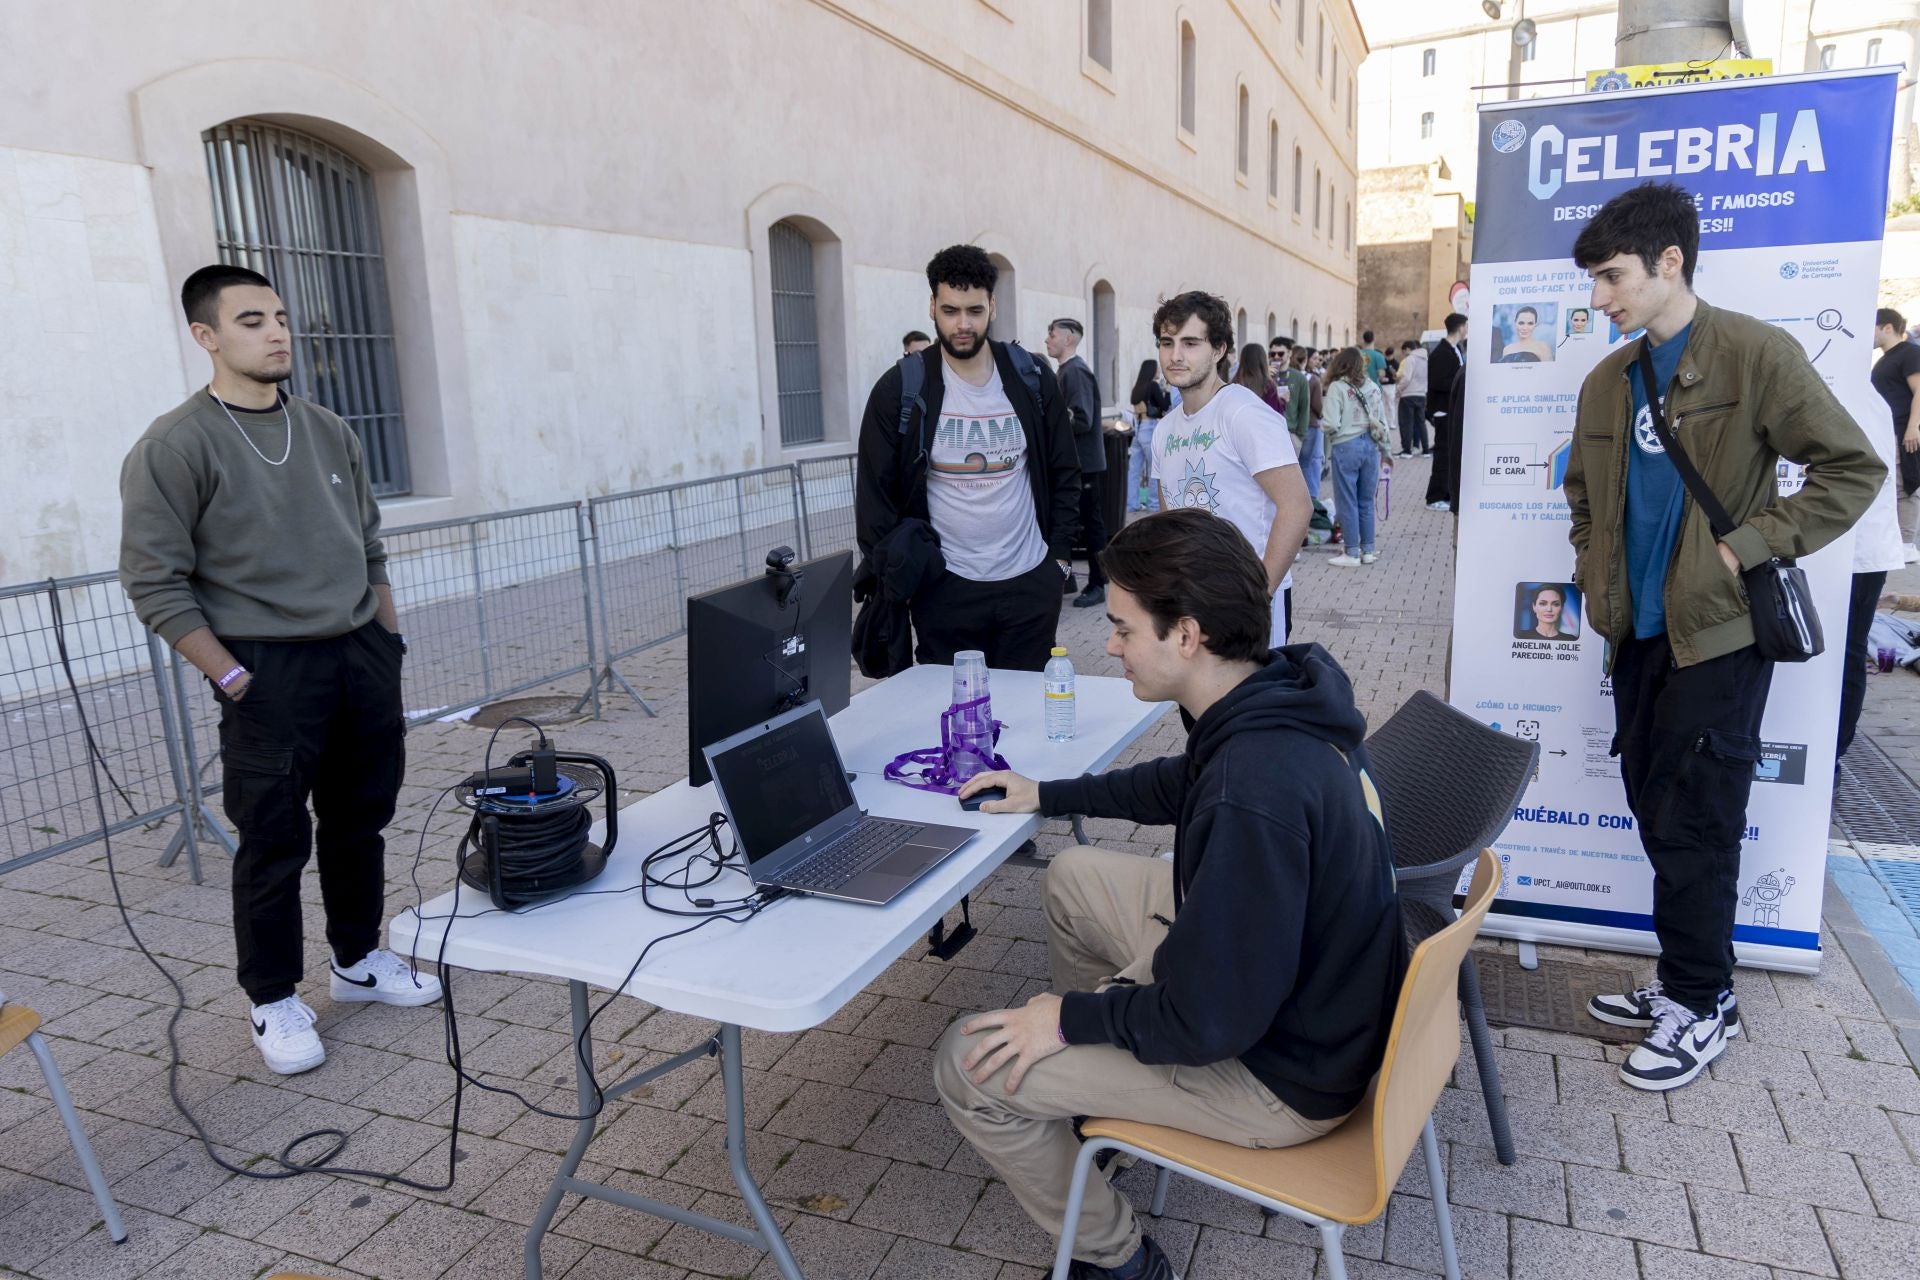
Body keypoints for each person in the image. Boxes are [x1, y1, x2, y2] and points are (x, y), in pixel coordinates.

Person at [938, 508, 1406, 1280]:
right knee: (1073, 877)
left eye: (1122, 629)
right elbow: (1179, 783)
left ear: (1186, 635)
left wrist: (1074, 1018)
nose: (1110, 646)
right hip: (1301, 996)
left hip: (1280, 1075)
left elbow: (1207, 1019)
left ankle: (1116, 1255)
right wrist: (1046, 794)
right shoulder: (1277, 694)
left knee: (968, 1065)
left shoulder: (1253, 790)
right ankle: (1089, 1110)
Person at [1563, 182, 1882, 1091]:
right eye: (1594, 280)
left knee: (1698, 814)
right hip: (1636, 637)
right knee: (1655, 802)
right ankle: (1685, 981)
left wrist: (1748, 546)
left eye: (1612, 277)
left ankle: (1701, 1003)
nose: (1600, 299)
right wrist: (1594, 569)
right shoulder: (1609, 379)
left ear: (1671, 262)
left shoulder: (1754, 354)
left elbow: (1851, 469)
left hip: (1721, 636)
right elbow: (1583, 498)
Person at [118, 265, 439, 1077]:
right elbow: (154, 581)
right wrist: (232, 679)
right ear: (207, 336)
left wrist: (388, 645)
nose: (277, 332)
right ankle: (273, 999)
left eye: (282, 317)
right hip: (264, 669)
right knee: (272, 842)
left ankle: (359, 961)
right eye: (252, 320)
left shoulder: (331, 428)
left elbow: (368, 544)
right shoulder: (174, 444)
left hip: (360, 656)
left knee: (360, 821)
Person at [855, 245, 1080, 670]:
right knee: (956, 720)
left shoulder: (1031, 377)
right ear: (932, 307)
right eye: (951, 310)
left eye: (974, 310)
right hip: (946, 589)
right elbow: (875, 496)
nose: (963, 324)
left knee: (1025, 719)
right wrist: (911, 581)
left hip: (1030, 582)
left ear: (992, 306)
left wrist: (1060, 560)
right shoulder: (900, 388)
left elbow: (1063, 468)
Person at [1152, 291, 1312, 643]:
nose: (1175, 356)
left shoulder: (1244, 413)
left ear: (1219, 349)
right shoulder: (1164, 429)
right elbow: (1171, 521)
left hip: (1247, 601)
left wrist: (1258, 597)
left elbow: (1297, 506)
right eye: (1167, 342)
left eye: (1191, 343)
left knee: (1254, 699)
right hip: (1191, 602)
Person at [1839, 391, 1907, 760]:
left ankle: (1832, 752)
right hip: (1850, 549)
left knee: (1846, 652)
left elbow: (1865, 473)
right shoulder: (1864, 393)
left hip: (1856, 552)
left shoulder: (1857, 394)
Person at [1048, 317, 1109, 607]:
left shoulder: (1075, 371)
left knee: (1090, 524)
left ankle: (1098, 584)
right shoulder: (1066, 371)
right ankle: (1068, 578)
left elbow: (1081, 419)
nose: (1048, 340)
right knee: (1071, 523)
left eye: (1052, 335)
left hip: (1084, 464)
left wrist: (1049, 417)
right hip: (1077, 464)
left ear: (1068, 339)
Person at [1321, 347, 1393, 567]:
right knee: (1366, 501)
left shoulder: (1337, 387)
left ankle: (1351, 552)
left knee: (1347, 501)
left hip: (1346, 446)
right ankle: (1368, 550)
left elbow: (1331, 423)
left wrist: (1327, 430)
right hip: (1370, 446)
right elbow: (1382, 421)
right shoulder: (1372, 387)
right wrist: (1386, 450)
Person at [1869, 307, 1920, 563]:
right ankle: (1896, 542)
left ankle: (1907, 544)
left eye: (1873, 328)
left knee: (1905, 485)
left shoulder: (1909, 353)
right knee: (1892, 485)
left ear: (1886, 327)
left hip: (1904, 430)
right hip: (1887, 433)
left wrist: (1914, 427)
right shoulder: (1885, 359)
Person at [1425, 312, 1466, 511]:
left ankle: (1447, 492)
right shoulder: (1441, 353)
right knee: (1442, 454)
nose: (1468, 330)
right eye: (1466, 326)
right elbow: (1437, 382)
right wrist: (1459, 384)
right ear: (1460, 328)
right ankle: (1434, 496)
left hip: (1451, 410)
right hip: (1442, 410)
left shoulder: (1455, 349)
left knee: (1449, 453)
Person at [1127, 359, 1171, 513]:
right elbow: (1164, 405)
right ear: (1152, 370)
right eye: (1157, 368)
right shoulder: (1153, 385)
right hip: (1150, 426)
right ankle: (1153, 504)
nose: (1159, 371)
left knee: (1134, 470)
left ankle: (1131, 504)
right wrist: (1167, 391)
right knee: (1154, 469)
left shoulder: (1137, 387)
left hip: (1137, 427)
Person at [1287, 343, 1326, 500]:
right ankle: (1311, 498)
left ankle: (1296, 497)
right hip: (1311, 424)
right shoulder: (1313, 380)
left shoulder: (1287, 377)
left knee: (1295, 465)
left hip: (1292, 426)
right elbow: (1318, 406)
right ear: (1306, 360)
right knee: (1310, 463)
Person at [1232, 343, 1287, 418]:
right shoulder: (1268, 385)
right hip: (1262, 427)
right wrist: (1282, 401)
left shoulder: (1234, 383)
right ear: (1263, 360)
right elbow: (1275, 415)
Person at [1395, 339, 1429, 457]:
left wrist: (1398, 389)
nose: (1404, 353)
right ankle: (1426, 450)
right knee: (1421, 423)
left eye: (1405, 351)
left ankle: (1407, 451)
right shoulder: (1425, 360)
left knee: (1406, 423)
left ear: (1409, 349)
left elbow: (1406, 378)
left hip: (1408, 395)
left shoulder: (1410, 359)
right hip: (1421, 394)